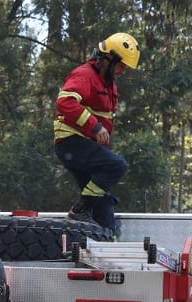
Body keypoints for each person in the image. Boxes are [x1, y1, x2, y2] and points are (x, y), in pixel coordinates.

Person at [54, 32, 141, 232]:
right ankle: (80, 210)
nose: (123, 71)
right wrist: (95, 126)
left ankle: (101, 237)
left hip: (85, 144)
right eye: (121, 66)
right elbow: (65, 102)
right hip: (71, 142)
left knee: (104, 209)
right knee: (116, 166)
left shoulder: (109, 85)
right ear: (108, 59)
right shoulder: (85, 75)